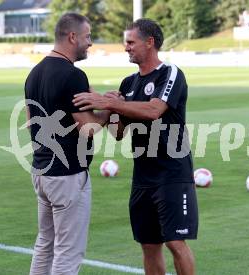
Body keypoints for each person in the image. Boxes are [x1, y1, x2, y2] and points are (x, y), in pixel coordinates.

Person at [73, 18, 198, 275]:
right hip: (143, 177)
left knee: (175, 242)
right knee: (149, 245)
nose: (126, 48)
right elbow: (118, 133)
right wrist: (110, 105)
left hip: (172, 173)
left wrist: (111, 105)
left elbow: (154, 110)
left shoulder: (170, 73)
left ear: (149, 42)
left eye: (131, 42)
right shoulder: (129, 84)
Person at [24, 13, 111, 275]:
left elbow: (31, 123)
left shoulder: (34, 72)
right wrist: (108, 108)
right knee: (68, 252)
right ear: (72, 37)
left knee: (45, 245)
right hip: (68, 174)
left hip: (41, 169)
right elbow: (89, 128)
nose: (90, 43)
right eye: (88, 37)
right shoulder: (73, 75)